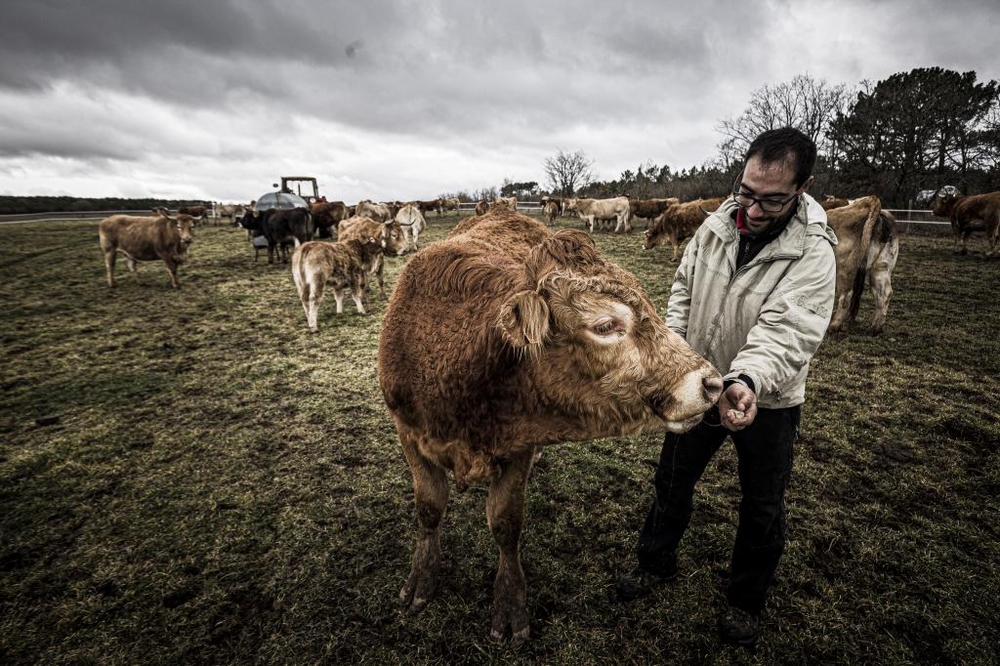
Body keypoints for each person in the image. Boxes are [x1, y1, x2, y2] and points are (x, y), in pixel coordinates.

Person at [616, 127, 837, 647]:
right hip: (699, 378)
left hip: (767, 396)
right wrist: (677, 355)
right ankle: (655, 561)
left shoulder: (814, 249)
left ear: (802, 188)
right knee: (672, 477)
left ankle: (745, 601)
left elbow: (789, 328)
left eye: (772, 199)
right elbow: (683, 289)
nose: (754, 210)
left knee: (763, 502)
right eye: (747, 192)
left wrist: (745, 381)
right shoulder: (715, 226)